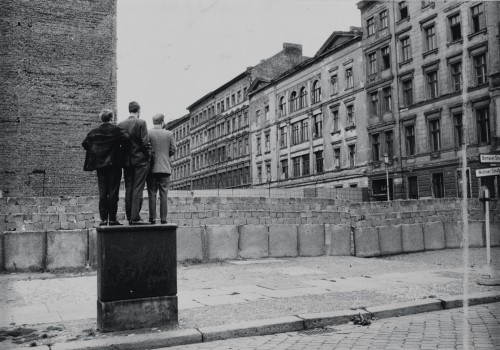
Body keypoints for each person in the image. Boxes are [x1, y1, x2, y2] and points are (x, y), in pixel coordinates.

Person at [82, 109, 129, 226]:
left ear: (101, 119)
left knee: (103, 191)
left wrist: (96, 152)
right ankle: (112, 218)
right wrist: (118, 151)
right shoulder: (117, 130)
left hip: (100, 166)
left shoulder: (94, 132)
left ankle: (103, 219)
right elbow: (127, 139)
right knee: (113, 192)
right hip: (114, 165)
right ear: (112, 118)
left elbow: (85, 143)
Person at [118, 101, 152, 225]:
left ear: (129, 110)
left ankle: (129, 216)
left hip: (127, 162)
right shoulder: (141, 122)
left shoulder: (120, 124)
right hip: (140, 161)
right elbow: (145, 142)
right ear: (138, 110)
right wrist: (148, 156)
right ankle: (135, 217)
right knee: (138, 188)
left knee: (129, 188)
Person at [147, 114, 176, 224]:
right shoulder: (169, 134)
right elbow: (173, 149)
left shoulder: (148, 133)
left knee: (152, 193)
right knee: (164, 194)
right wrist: (164, 155)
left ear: (153, 122)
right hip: (165, 168)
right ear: (162, 122)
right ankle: (163, 219)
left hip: (152, 169)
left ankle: (152, 218)